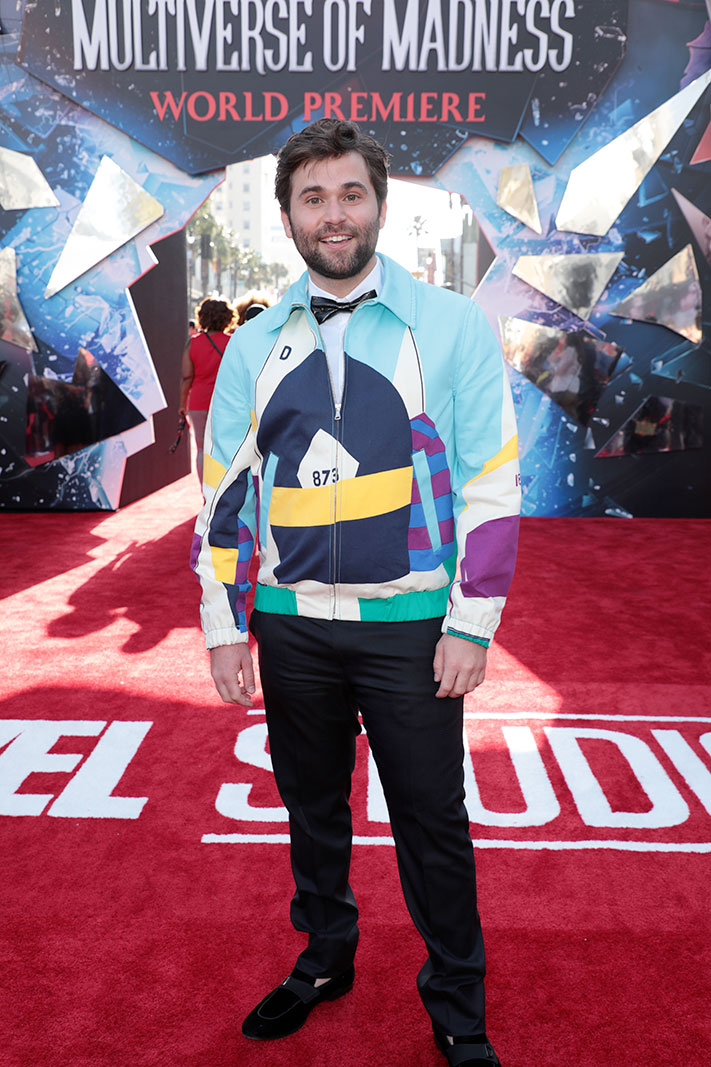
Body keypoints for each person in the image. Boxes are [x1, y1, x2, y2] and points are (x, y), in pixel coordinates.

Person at [191, 119, 520, 1067]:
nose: (332, 215)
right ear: (288, 217)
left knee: (431, 820)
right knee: (311, 807)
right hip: (290, 626)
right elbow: (223, 495)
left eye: (349, 194)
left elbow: (491, 478)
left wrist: (472, 622)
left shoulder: (450, 324)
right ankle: (325, 957)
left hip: (412, 626)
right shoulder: (254, 344)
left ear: (379, 204)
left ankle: (457, 1004)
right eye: (312, 198)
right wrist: (225, 626)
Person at [179, 297, 235, 484]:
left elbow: (186, 377)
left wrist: (182, 404)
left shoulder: (192, 343)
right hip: (226, 402)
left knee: (202, 449)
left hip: (199, 402)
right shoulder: (233, 342)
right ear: (227, 317)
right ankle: (223, 487)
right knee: (225, 448)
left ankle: (206, 492)